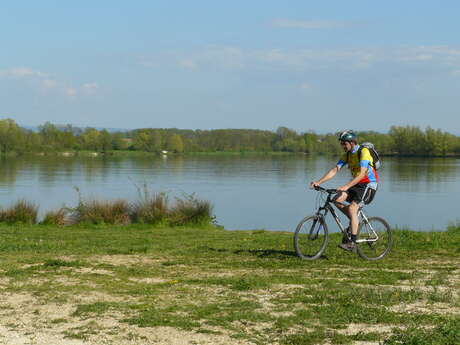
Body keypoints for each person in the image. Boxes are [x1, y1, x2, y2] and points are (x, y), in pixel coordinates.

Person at [310, 130, 379, 252]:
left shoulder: (363, 152)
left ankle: (352, 243)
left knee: (352, 208)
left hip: (368, 184)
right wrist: (319, 182)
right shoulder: (347, 155)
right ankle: (353, 220)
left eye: (344, 144)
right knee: (336, 199)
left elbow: (362, 173)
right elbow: (335, 170)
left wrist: (346, 186)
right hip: (356, 184)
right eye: (341, 144)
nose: (342, 146)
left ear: (352, 143)